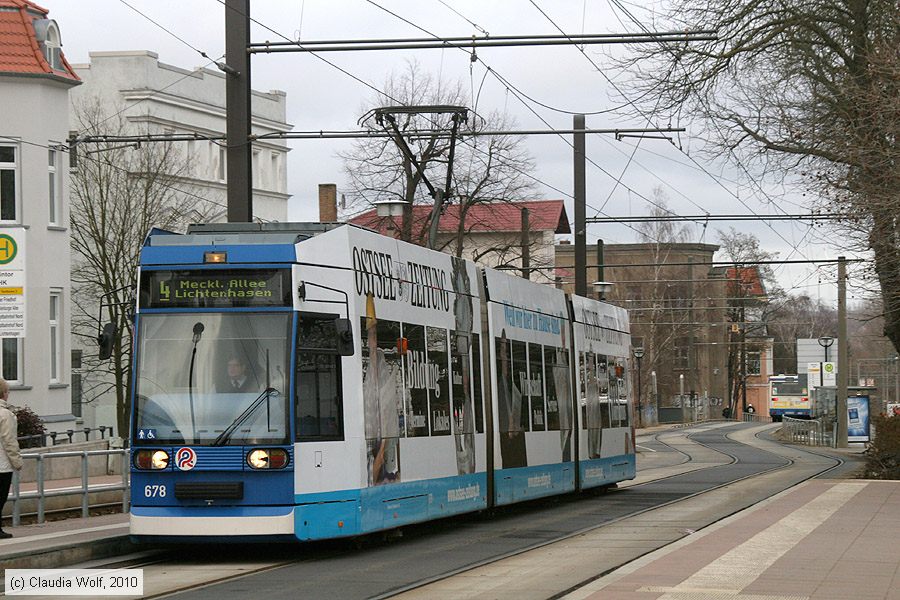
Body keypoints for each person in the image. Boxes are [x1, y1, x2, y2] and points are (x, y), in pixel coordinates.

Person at [0, 378, 23, 539]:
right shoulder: (5, 415)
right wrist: (17, 461)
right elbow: (9, 440)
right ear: (4, 393)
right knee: (1, 496)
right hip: (1, 464)